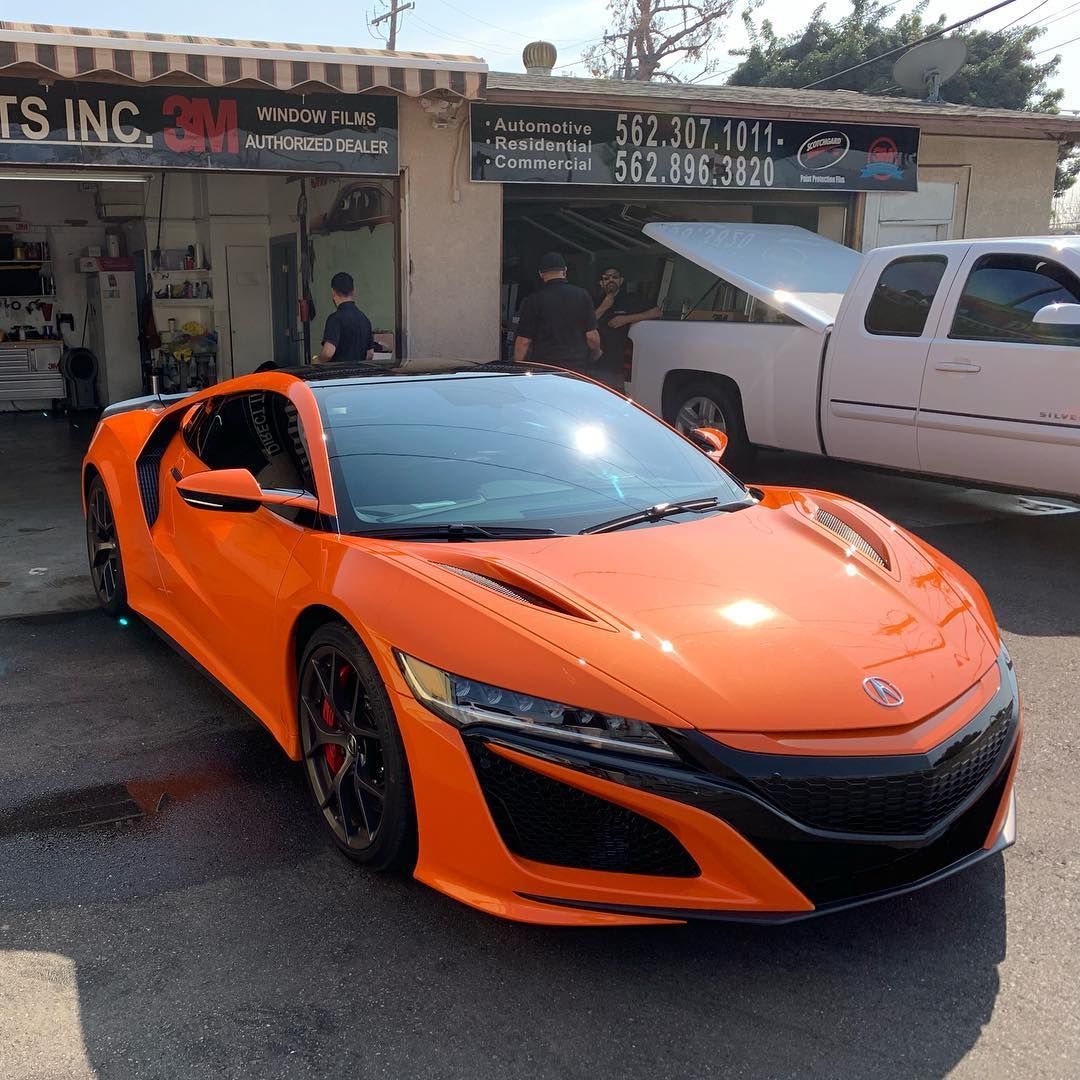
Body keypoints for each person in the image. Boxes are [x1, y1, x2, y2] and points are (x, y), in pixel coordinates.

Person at [512, 252, 601, 373]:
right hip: (576, 370)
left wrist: (518, 368)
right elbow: (592, 336)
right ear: (564, 271)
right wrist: (596, 353)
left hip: (545, 370)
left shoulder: (533, 300)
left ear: (541, 274)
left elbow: (523, 341)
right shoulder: (582, 296)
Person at [594, 266, 661, 386]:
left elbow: (656, 312)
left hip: (618, 364)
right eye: (606, 278)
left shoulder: (631, 299)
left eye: (615, 277)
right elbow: (584, 324)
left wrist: (626, 319)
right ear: (601, 283)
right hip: (595, 363)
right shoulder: (593, 301)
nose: (611, 280)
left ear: (621, 281)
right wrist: (603, 307)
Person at [315, 272, 374, 365]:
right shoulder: (364, 319)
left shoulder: (335, 319)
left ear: (333, 293)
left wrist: (317, 360)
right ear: (354, 291)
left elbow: (327, 353)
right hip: (359, 375)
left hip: (339, 375)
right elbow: (370, 354)